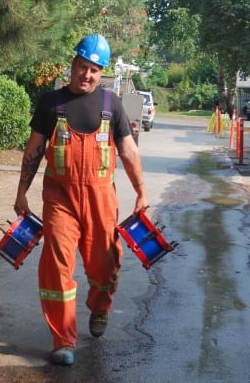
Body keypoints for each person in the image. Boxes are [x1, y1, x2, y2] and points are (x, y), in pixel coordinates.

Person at [13, 33, 150, 366]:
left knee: (105, 265)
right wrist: (22, 190)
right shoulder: (51, 103)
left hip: (101, 198)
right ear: (72, 65)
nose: (87, 75)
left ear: (101, 72)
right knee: (57, 265)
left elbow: (129, 150)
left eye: (94, 69)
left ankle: (100, 308)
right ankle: (63, 338)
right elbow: (34, 150)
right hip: (59, 197)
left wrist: (141, 190)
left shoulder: (111, 105)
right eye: (82, 67)